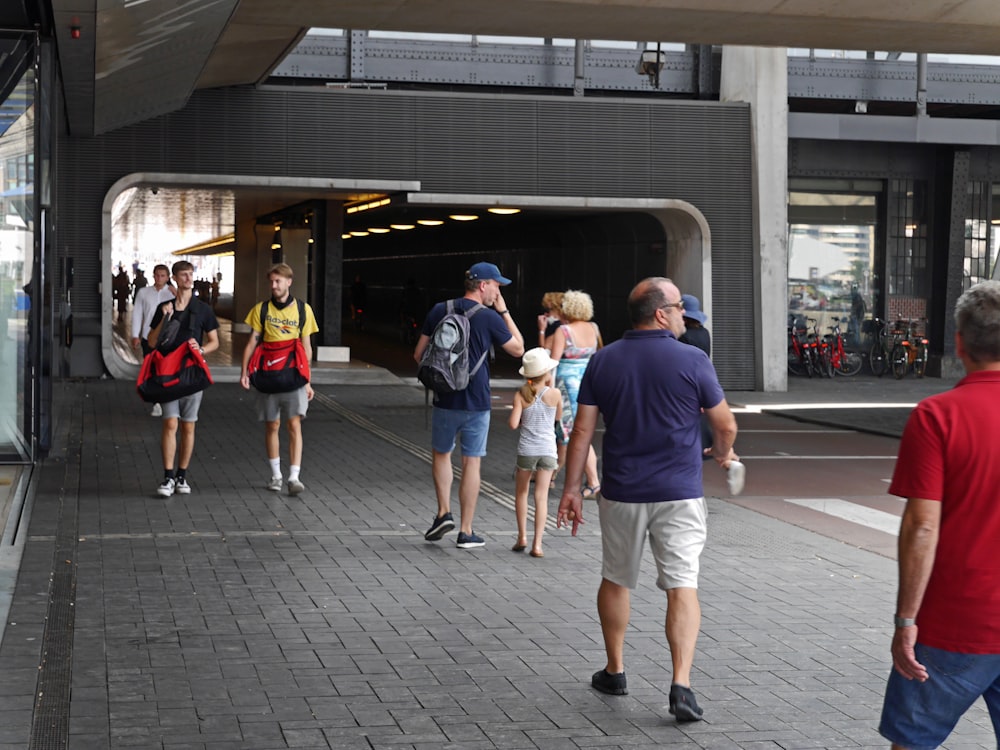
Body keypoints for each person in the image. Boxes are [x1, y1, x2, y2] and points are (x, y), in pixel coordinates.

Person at [556, 276, 738, 721]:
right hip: (679, 493)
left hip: (622, 492)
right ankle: (681, 685)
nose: (684, 316)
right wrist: (725, 451)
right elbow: (725, 423)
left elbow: (582, 431)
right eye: (679, 308)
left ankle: (615, 671)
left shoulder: (604, 361)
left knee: (616, 579)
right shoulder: (693, 360)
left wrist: (572, 489)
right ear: (661, 313)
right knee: (682, 585)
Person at [878, 280, 1000, 750]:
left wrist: (905, 620)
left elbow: (922, 526)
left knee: (912, 742)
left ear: (959, 342)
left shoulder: (937, 416)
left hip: (954, 624)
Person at [413, 261, 524, 549]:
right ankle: (466, 530)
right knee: (471, 461)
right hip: (476, 401)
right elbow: (519, 349)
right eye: (497, 286)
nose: (498, 291)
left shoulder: (440, 310)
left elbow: (418, 355)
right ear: (483, 285)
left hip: (444, 397)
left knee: (441, 454)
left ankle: (442, 514)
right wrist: (503, 310)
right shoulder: (489, 317)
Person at [239, 263, 319, 496]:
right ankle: (276, 475)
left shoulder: (303, 311)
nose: (274, 286)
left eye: (278, 281)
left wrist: (307, 380)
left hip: (293, 374)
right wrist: (244, 372)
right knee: (271, 425)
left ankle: (294, 477)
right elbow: (252, 342)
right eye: (271, 282)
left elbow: (306, 347)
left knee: (294, 424)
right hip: (268, 374)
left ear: (289, 282)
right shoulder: (261, 310)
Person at [147, 260, 220, 498]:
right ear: (175, 279)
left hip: (192, 373)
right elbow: (151, 341)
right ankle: (167, 476)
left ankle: (182, 476)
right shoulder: (164, 308)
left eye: (191, 274)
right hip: (168, 373)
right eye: (184, 275)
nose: (189, 279)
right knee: (170, 423)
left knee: (189, 425)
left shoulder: (203, 310)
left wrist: (201, 350)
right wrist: (164, 319)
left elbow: (214, 342)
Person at [508, 347, 562, 558]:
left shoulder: (521, 395)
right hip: (548, 450)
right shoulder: (555, 394)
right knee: (542, 496)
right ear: (546, 373)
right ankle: (537, 545)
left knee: (521, 493)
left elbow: (513, 424)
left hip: (527, 450)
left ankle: (522, 536)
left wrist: (522, 419)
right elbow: (557, 418)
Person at [548, 289, 601, 497]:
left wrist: (548, 391)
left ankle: (594, 481)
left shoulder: (564, 331)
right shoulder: (594, 328)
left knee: (574, 433)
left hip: (567, 386)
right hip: (588, 382)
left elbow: (553, 362)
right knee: (584, 430)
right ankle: (592, 480)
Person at [131, 264, 176, 417]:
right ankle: (156, 402)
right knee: (151, 368)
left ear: (168, 277)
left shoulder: (172, 294)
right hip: (147, 336)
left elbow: (183, 308)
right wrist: (135, 335)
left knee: (165, 368)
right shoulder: (144, 293)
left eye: (163, 275)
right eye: (157, 275)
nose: (159, 278)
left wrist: (176, 293)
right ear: (153, 276)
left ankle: (167, 399)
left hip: (167, 338)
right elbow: (137, 313)